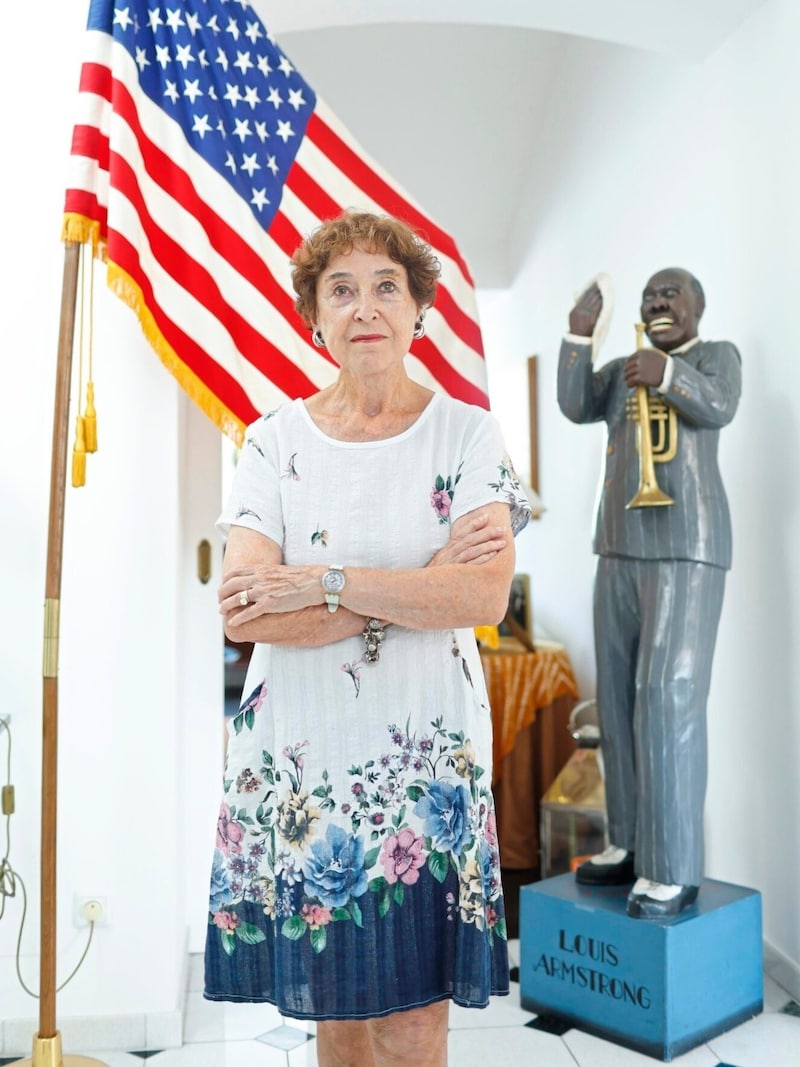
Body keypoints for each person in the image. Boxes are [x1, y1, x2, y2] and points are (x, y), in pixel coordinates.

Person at [204, 211, 531, 1066]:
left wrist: (325, 582)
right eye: (340, 290)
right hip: (307, 770)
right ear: (315, 315)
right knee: (337, 1017)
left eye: (387, 286)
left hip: (429, 771)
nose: (366, 307)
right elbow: (242, 611)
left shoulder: (467, 434)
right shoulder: (272, 443)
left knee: (416, 1020)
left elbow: (483, 591)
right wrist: (419, 583)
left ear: (419, 308)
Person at [557, 269, 741, 919]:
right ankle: (630, 842)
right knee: (616, 700)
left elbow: (718, 403)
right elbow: (577, 404)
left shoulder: (714, 357)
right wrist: (578, 336)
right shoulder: (624, 365)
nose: (658, 303)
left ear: (698, 307)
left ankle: (673, 866)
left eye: (672, 294)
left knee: (667, 700)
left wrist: (664, 373)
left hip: (685, 548)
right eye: (650, 296)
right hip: (617, 545)